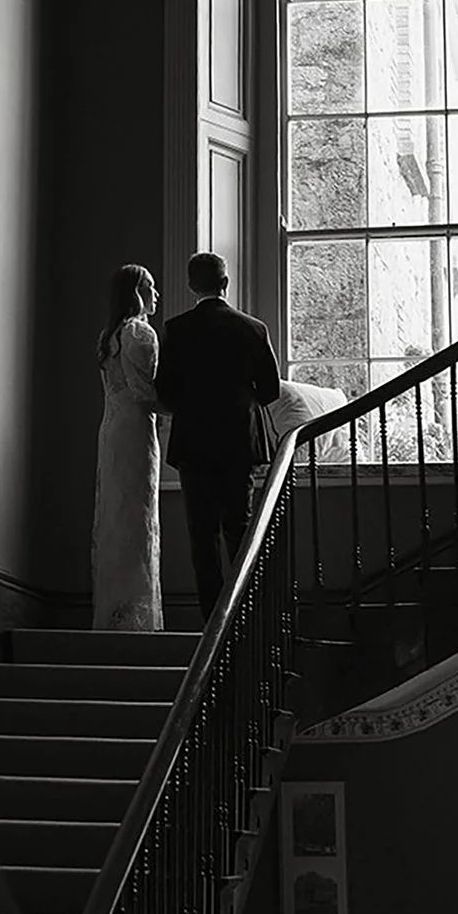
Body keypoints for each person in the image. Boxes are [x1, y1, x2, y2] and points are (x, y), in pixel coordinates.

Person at [155, 252, 283, 623]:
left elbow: (165, 393)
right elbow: (271, 390)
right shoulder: (253, 328)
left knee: (202, 536)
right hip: (237, 443)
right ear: (225, 283)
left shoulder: (177, 329)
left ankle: (212, 620)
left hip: (193, 445)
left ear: (192, 286)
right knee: (240, 530)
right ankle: (246, 614)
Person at [91, 264, 165, 631]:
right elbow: (145, 394)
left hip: (111, 429)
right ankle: (135, 618)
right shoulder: (139, 332)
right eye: (150, 287)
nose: (157, 293)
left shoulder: (110, 335)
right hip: (135, 430)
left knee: (116, 514)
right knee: (136, 516)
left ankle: (116, 611)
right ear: (136, 291)